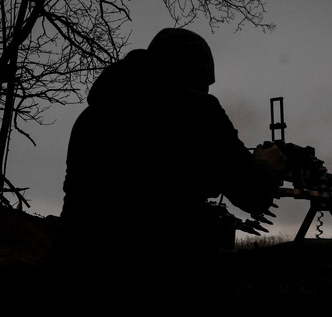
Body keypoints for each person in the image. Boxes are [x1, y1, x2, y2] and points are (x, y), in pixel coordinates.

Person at [59, 28, 284, 256]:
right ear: (190, 75)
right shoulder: (197, 113)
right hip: (156, 270)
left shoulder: (94, 115)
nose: (206, 90)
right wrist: (266, 165)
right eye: (204, 82)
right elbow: (253, 195)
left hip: (75, 259)